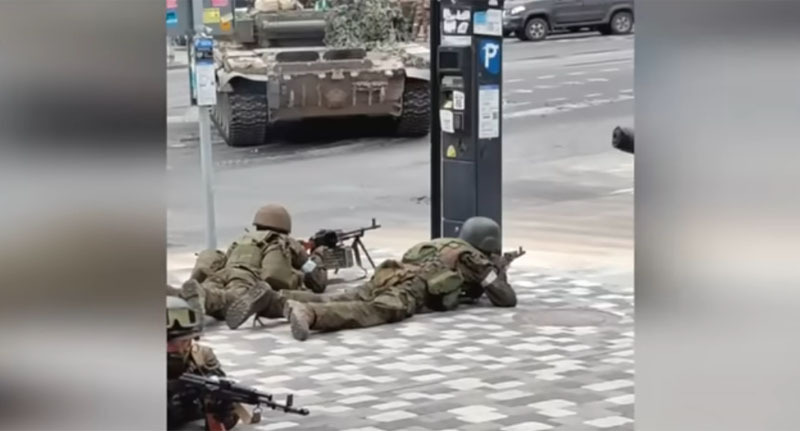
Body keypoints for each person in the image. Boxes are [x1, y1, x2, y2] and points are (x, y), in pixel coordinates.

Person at [256, 216, 519, 341]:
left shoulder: (446, 243)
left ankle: (274, 301)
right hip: (412, 286)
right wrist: (495, 271)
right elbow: (506, 299)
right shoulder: (473, 258)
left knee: (347, 297)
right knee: (372, 311)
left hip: (390, 271)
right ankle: (310, 314)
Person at [180, 204, 329, 330]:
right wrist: (318, 255)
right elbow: (316, 280)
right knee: (233, 298)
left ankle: (200, 292)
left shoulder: (242, 239)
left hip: (222, 272)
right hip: (246, 278)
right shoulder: (285, 241)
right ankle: (205, 296)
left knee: (213, 288)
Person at [401, 216, 518, 308]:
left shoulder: (445, 243)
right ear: (490, 241)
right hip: (411, 295)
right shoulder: (475, 261)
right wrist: (499, 272)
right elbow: (507, 299)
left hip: (401, 277)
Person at [167, 296, 246, 431]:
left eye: (184, 341)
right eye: (169, 341)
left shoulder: (201, 358)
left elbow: (224, 422)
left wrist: (217, 409)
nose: (178, 348)